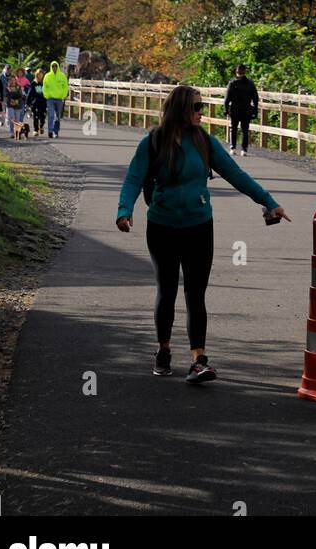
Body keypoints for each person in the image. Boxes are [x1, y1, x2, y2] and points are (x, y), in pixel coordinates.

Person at [115, 83, 290, 382]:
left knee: (196, 294)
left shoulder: (204, 142)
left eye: (203, 107)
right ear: (180, 109)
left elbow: (236, 174)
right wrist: (124, 210)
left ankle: (199, 360)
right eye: (196, 107)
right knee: (167, 291)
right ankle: (164, 350)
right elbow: (134, 177)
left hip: (199, 226)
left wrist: (268, 201)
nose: (201, 112)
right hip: (162, 227)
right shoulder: (153, 141)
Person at [223, 64, 259, 156]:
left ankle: (233, 147)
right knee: (245, 130)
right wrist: (255, 110)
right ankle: (244, 149)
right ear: (244, 72)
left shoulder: (232, 83)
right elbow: (255, 98)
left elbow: (227, 99)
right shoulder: (250, 83)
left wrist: (226, 110)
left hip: (235, 109)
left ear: (236, 72)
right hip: (246, 109)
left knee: (233, 128)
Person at [42, 59, 69, 138]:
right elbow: (44, 87)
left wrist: (63, 96)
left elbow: (65, 87)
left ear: (57, 67)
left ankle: (56, 131)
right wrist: (46, 95)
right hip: (50, 99)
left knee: (58, 117)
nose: (54, 67)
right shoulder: (47, 76)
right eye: (53, 66)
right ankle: (50, 131)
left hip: (59, 99)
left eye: (55, 66)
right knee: (50, 115)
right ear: (51, 67)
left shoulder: (62, 76)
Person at [26, 69, 47, 137]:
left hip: (43, 103)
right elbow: (29, 93)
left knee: (42, 117)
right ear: (36, 75)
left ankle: (41, 126)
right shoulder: (34, 83)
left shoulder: (44, 83)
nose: (40, 76)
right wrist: (28, 103)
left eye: (41, 74)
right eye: (38, 74)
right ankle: (35, 130)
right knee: (36, 117)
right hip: (35, 103)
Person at [4, 70, 25, 136]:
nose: (13, 81)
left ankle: (17, 132)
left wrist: (16, 98)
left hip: (18, 105)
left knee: (17, 120)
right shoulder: (7, 88)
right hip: (10, 105)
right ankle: (11, 132)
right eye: (11, 80)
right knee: (12, 118)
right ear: (9, 81)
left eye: (14, 80)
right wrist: (12, 98)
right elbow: (7, 96)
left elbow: (20, 96)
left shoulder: (18, 87)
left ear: (16, 80)